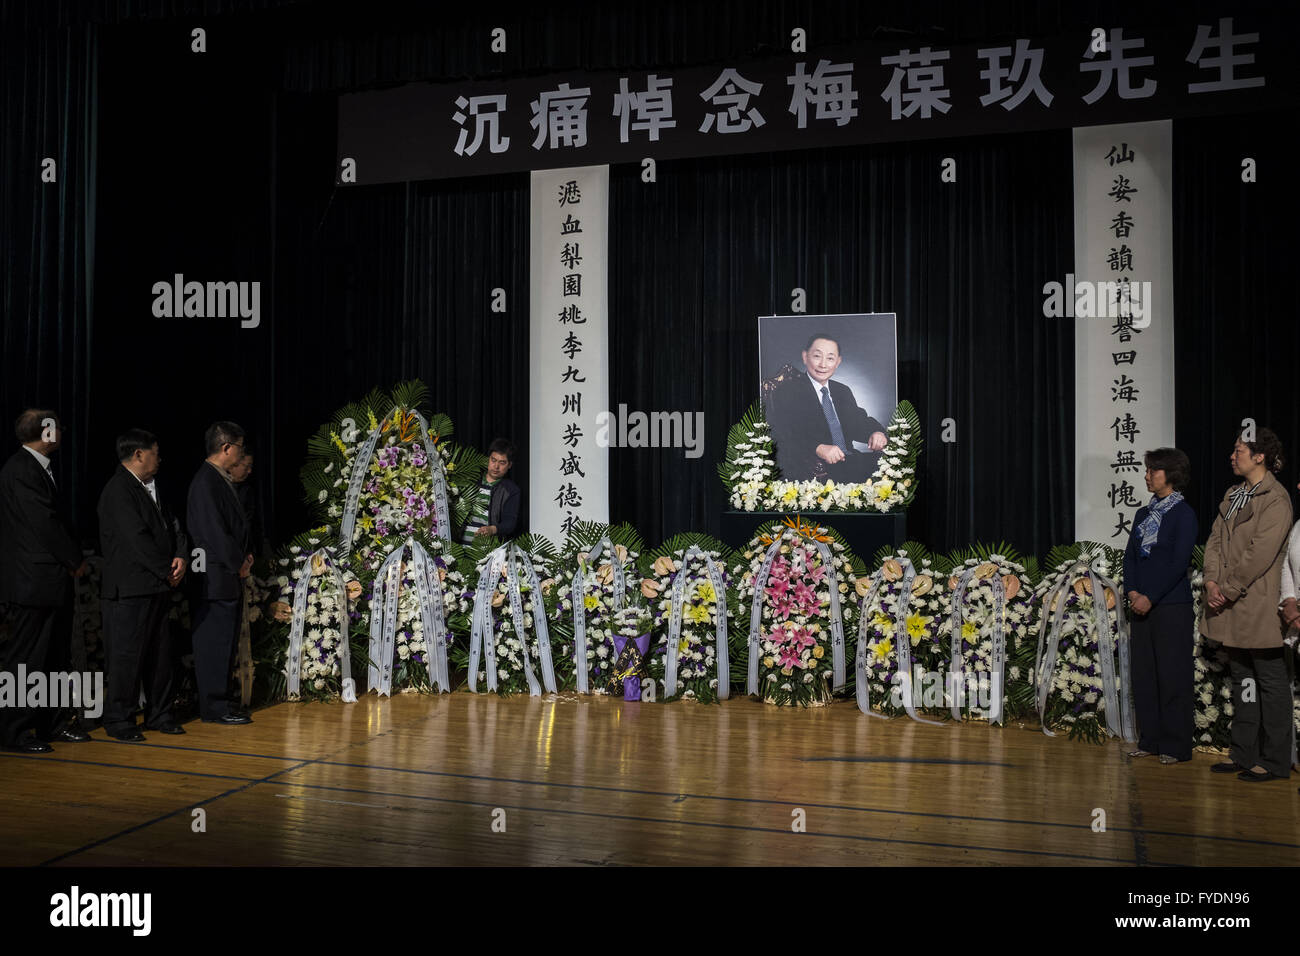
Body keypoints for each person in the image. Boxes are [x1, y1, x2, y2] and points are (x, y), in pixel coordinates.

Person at [1202, 427, 1292, 782]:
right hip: (1228, 603)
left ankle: (1274, 760)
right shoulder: (1233, 494)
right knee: (1243, 679)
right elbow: (1214, 542)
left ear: (1260, 456)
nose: (1232, 455)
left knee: (1269, 681)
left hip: (1255, 604)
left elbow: (1261, 553)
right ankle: (1243, 752)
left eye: (1239, 450)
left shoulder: (1275, 498)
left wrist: (1230, 587)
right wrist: (1211, 581)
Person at [0, 409, 89, 753]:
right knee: (26, 659)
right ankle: (15, 731)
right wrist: (74, 559)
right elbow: (44, 523)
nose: (62, 432)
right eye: (58, 427)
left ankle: (50, 724)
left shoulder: (37, 468)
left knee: (53, 657)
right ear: (47, 432)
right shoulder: (22, 470)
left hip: (47, 581)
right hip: (32, 581)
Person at [97, 429, 189, 741]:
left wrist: (180, 556)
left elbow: (172, 525)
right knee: (126, 656)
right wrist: (167, 569)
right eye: (155, 451)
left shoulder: (152, 487)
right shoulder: (118, 491)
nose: (159, 458)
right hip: (130, 589)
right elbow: (136, 539)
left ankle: (159, 714)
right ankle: (119, 720)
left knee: (160, 655)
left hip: (156, 586)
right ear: (138, 454)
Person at [1123, 448, 1198, 765]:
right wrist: (1132, 592)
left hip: (1171, 607)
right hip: (1141, 606)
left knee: (1172, 675)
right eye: (1147, 470)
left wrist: (1149, 596)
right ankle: (1150, 740)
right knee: (1145, 675)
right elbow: (1130, 557)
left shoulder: (1184, 515)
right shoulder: (1143, 515)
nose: (1147, 475)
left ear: (1171, 475)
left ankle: (1176, 745)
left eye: (1153, 470)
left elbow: (1178, 562)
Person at [186, 422, 252, 725]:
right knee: (214, 643)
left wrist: (243, 555)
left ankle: (221, 702)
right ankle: (213, 707)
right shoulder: (206, 482)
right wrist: (237, 561)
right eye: (239, 447)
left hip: (224, 575)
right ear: (226, 447)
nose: (241, 454)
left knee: (224, 642)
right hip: (214, 577)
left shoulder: (217, 479)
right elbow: (213, 532)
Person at [765, 332, 887, 483]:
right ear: (805, 357)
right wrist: (817, 447)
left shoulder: (842, 390)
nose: (823, 364)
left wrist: (876, 432)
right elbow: (783, 433)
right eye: (817, 356)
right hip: (812, 467)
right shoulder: (788, 391)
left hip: (849, 460)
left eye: (830, 358)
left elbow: (858, 421)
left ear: (838, 362)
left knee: (892, 470)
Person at [461, 438, 521, 544]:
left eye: (502, 463)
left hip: (487, 554)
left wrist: (492, 529)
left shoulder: (511, 490)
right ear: (488, 459)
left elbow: (510, 522)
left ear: (509, 465)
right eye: (493, 460)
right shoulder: (471, 480)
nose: (496, 466)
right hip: (458, 548)